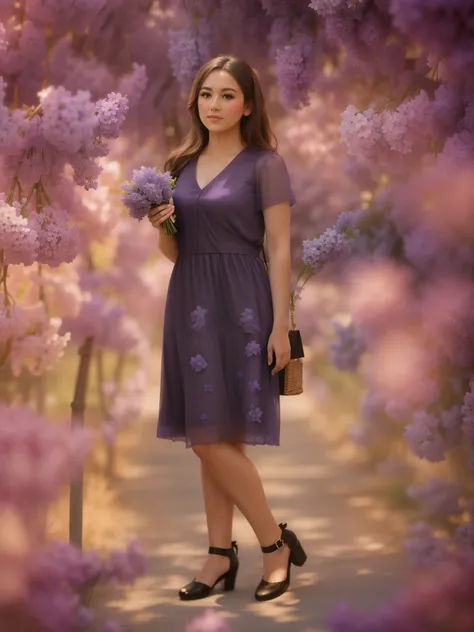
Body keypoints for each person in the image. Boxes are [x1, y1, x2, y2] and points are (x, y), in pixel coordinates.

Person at [148, 55, 307, 602]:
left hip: (244, 302)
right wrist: (161, 224)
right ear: (195, 101)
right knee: (208, 435)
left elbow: (280, 245)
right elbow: (174, 250)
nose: (214, 105)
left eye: (227, 95)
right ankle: (221, 554)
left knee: (218, 438)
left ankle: (270, 545)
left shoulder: (266, 165)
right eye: (206, 94)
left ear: (248, 104)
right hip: (190, 298)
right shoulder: (178, 163)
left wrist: (280, 324)